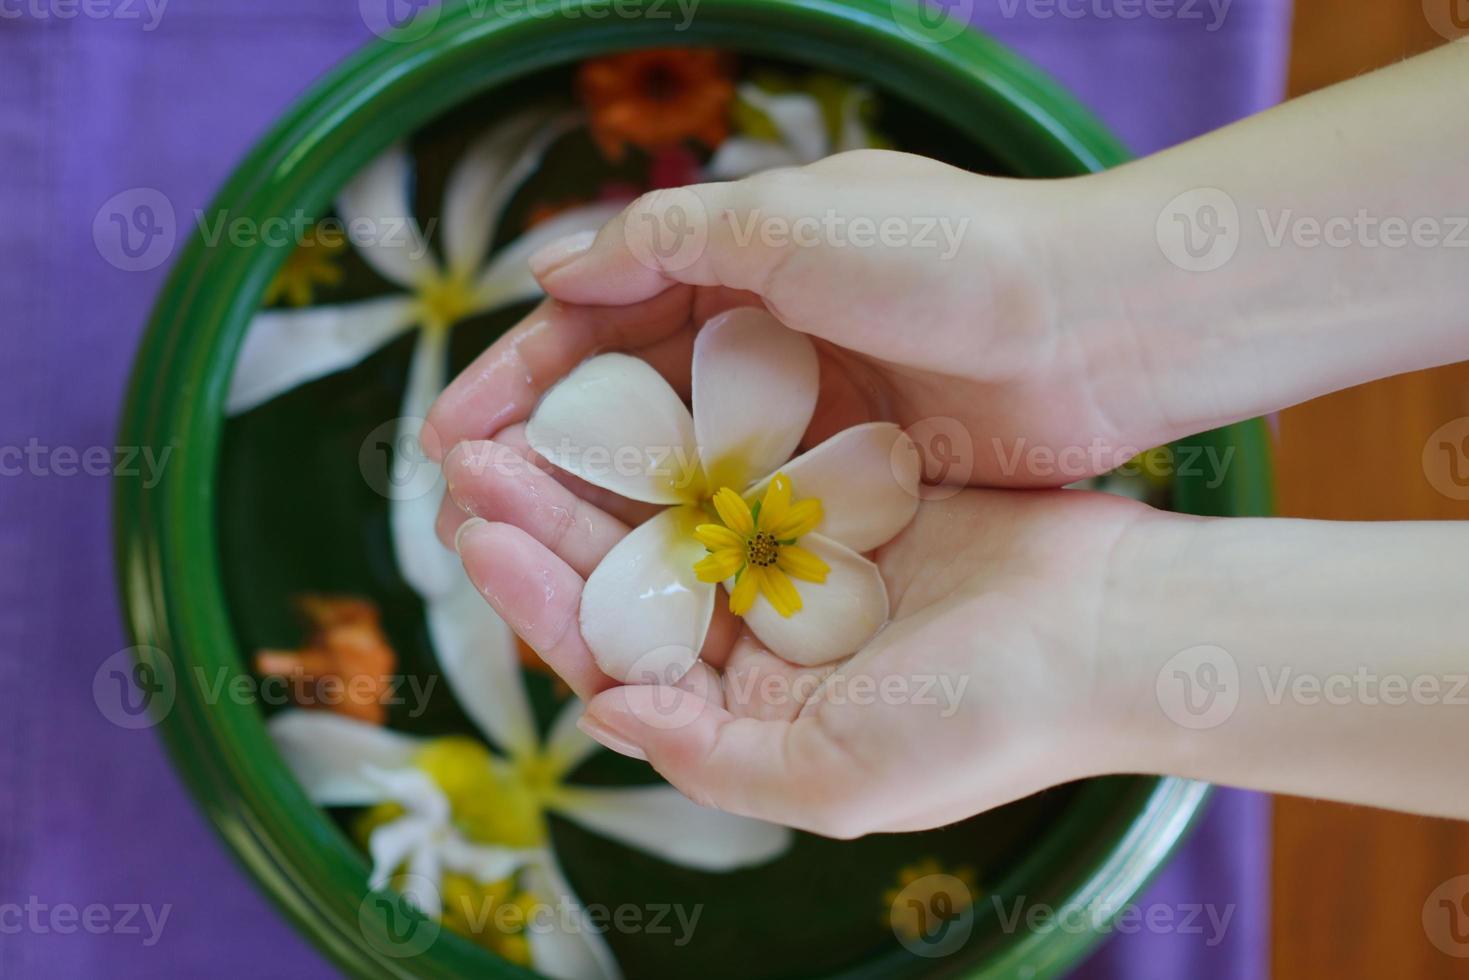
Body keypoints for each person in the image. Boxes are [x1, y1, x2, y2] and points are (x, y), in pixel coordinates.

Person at [419, 41, 1469, 838]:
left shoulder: (799, 443)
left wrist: (1077, 311)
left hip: (753, 527)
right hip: (737, 523)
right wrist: (1074, 308)